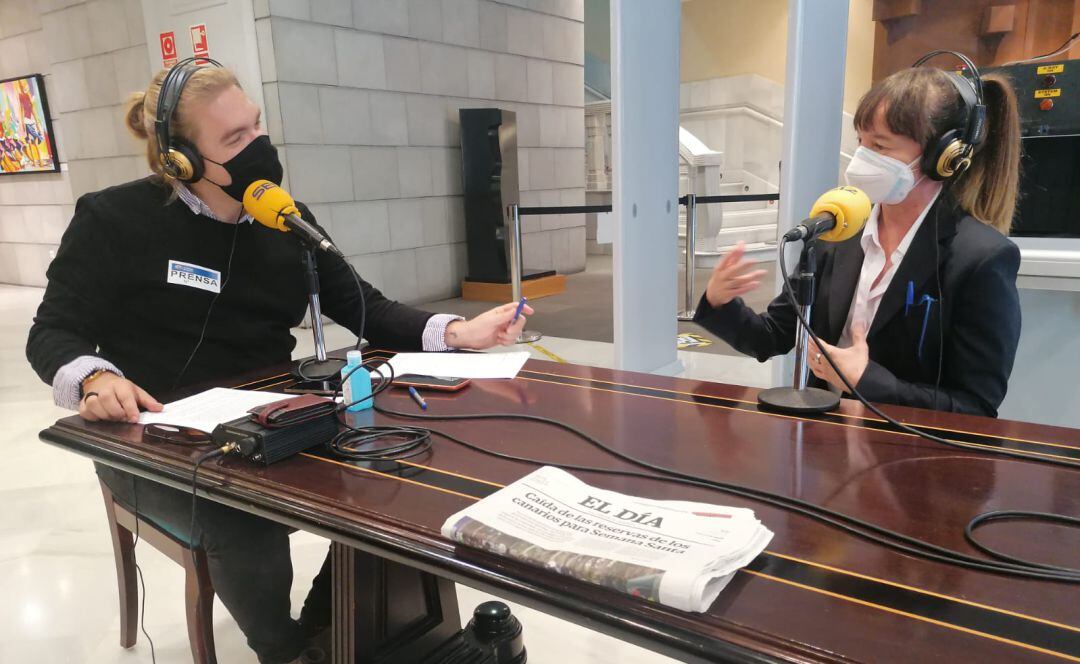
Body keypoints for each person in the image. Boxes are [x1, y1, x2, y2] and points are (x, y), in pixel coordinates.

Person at [26, 61, 534, 664]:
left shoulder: (283, 220)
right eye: (235, 140)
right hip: (152, 441)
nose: (259, 148)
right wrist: (96, 376)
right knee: (246, 524)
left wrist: (456, 330)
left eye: (256, 127)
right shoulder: (112, 220)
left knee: (395, 472)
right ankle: (285, 652)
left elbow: (363, 305)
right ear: (180, 159)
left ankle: (337, 625)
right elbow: (51, 332)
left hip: (272, 422)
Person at [694, 59, 1022, 417]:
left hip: (904, 455)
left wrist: (867, 380)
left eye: (880, 146)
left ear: (944, 157)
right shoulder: (836, 230)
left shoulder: (982, 258)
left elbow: (976, 407)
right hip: (822, 444)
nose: (862, 158)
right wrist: (721, 303)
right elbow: (773, 335)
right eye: (861, 142)